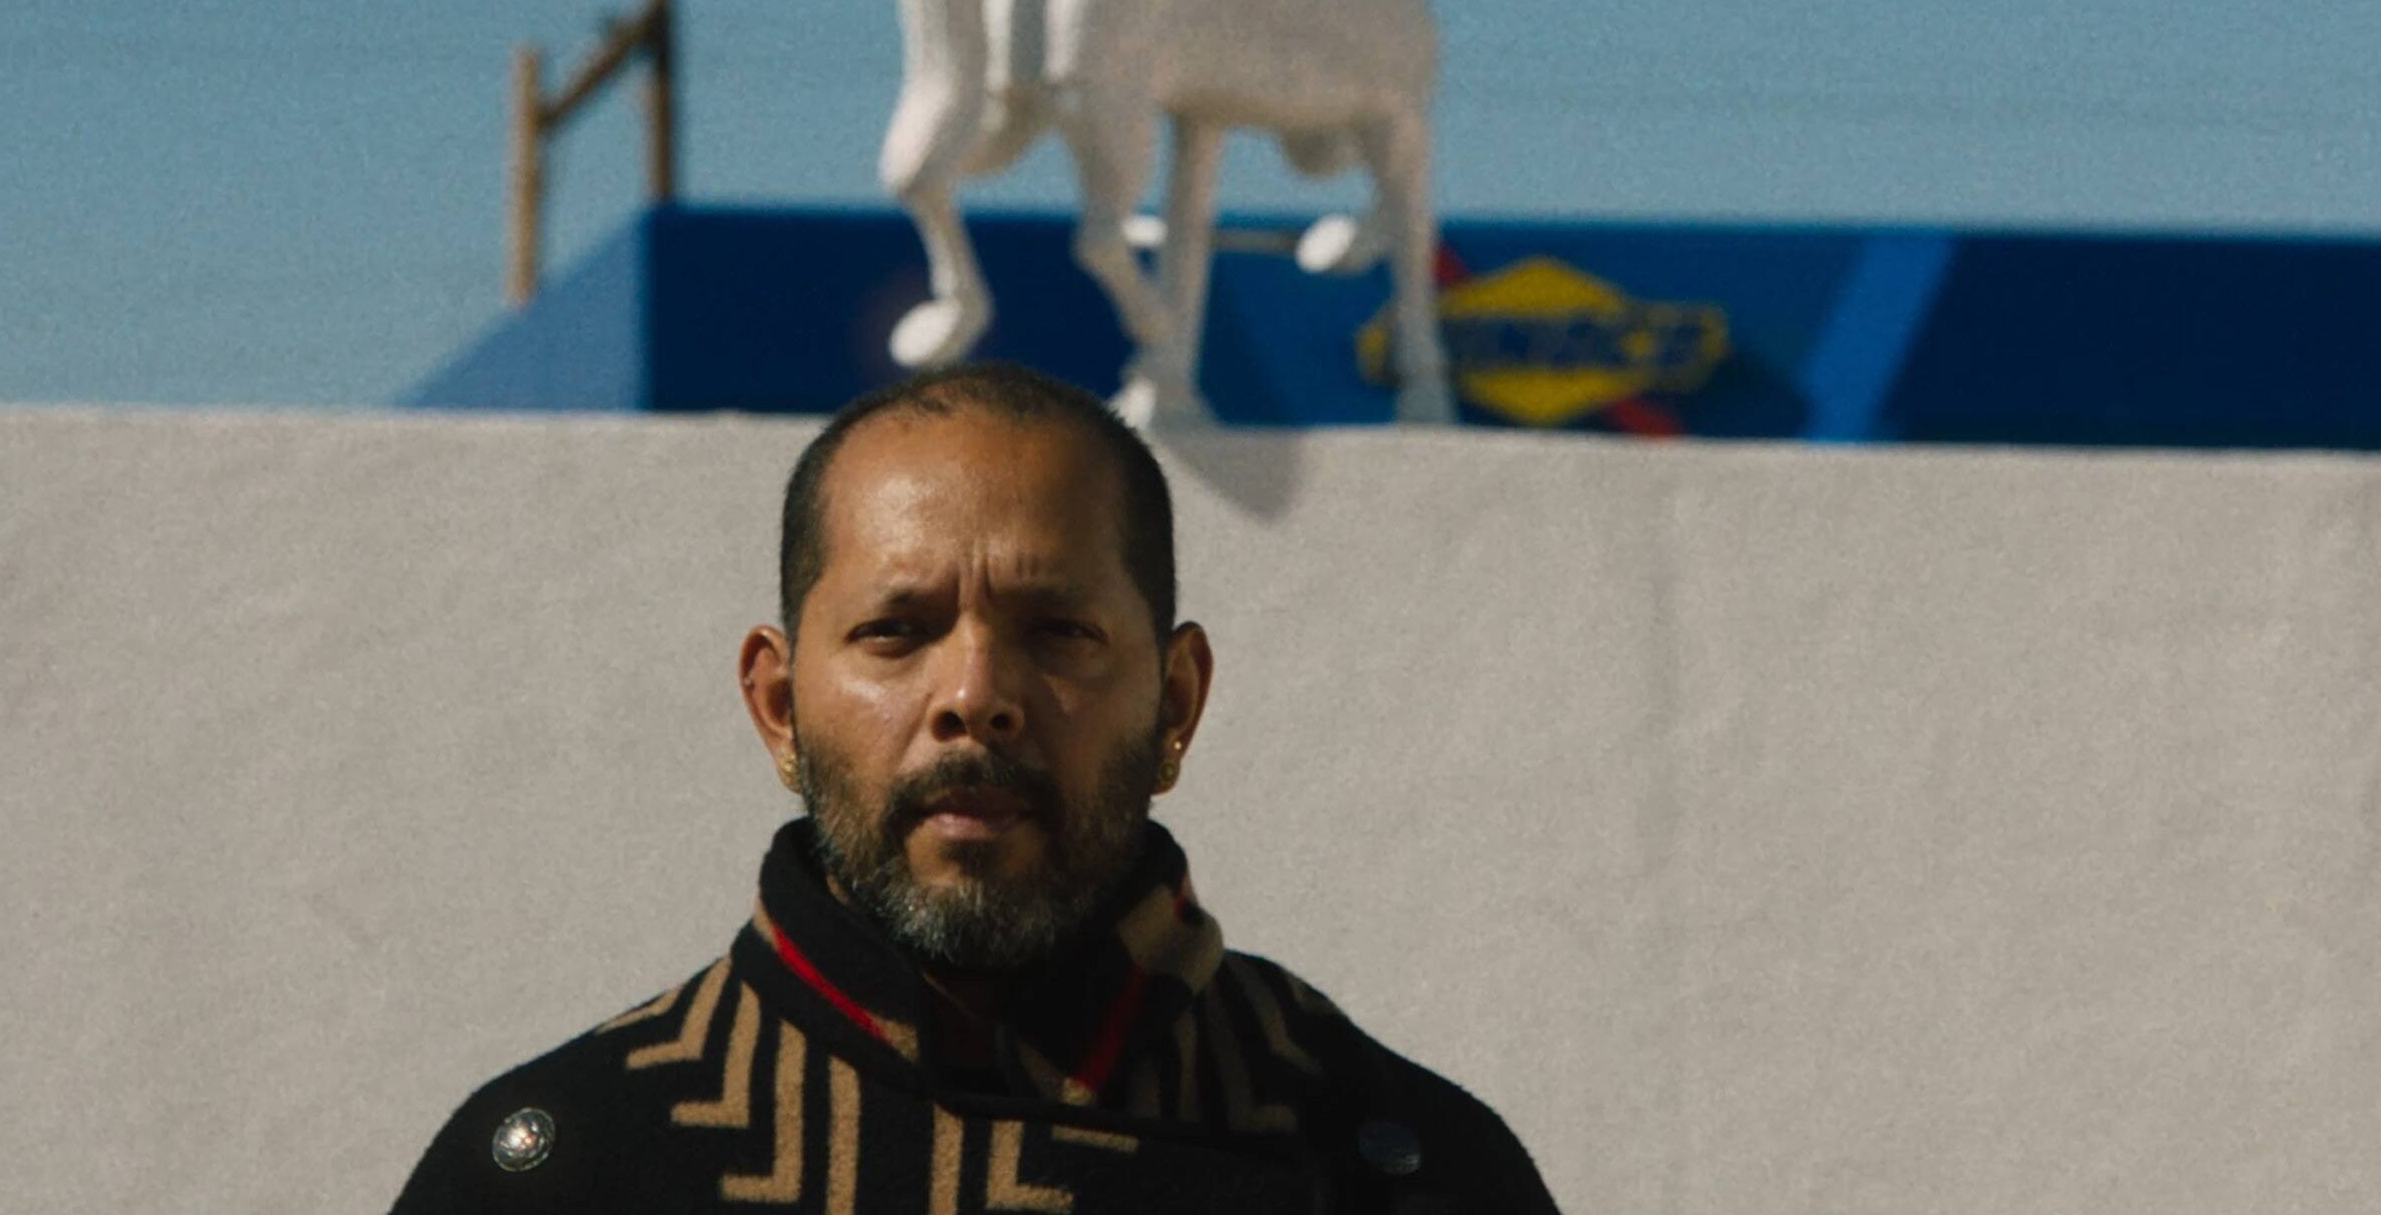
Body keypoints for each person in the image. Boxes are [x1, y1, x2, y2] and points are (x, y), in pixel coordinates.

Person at [389, 361, 1556, 1214]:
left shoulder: (1397, 1163)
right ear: (780, 707)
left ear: (1178, 702)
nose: (977, 694)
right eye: (897, 630)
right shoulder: (574, 1169)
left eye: (1057, 630)